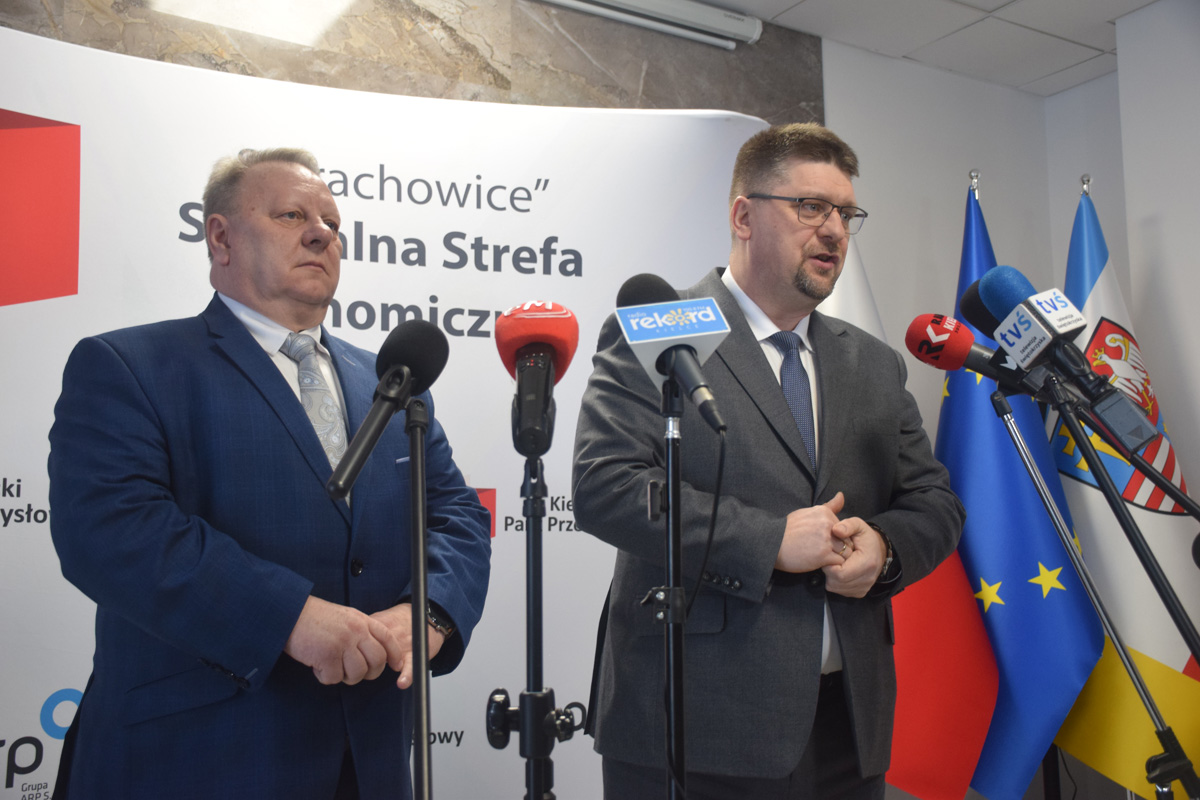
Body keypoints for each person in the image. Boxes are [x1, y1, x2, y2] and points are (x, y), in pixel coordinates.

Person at [47, 148, 492, 799]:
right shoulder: (128, 365)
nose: (321, 234)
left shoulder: (395, 381)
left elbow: (456, 515)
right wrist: (290, 617)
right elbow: (109, 533)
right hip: (196, 762)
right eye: (291, 215)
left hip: (368, 760)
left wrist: (429, 613)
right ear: (221, 237)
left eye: (332, 223)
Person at [572, 123, 965, 799]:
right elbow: (606, 486)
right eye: (810, 207)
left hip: (848, 727)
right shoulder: (660, 328)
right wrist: (769, 540)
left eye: (846, 214)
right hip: (694, 724)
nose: (834, 230)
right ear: (743, 216)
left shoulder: (872, 363)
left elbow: (935, 502)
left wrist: (884, 549)